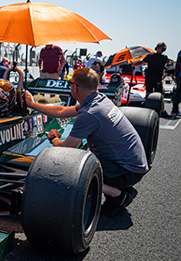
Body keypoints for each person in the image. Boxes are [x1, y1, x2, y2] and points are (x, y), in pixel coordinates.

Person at [25, 68, 149, 216]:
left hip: (127, 170)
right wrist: (32, 105)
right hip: (133, 164)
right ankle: (121, 188)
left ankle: (118, 194)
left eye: (70, 83)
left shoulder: (90, 113)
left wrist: (53, 137)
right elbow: (61, 111)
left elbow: (66, 148)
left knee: (71, 170)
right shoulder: (99, 99)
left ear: (74, 87)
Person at [140, 42, 169, 117]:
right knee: (160, 96)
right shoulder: (164, 58)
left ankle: (146, 110)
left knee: (148, 94)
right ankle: (162, 111)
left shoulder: (150, 56)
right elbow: (166, 67)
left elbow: (141, 62)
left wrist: (132, 63)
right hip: (157, 78)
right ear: (163, 49)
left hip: (149, 78)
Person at [170, 50, 181, 116]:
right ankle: (175, 110)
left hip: (179, 75)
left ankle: (175, 109)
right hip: (179, 76)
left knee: (178, 93)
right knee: (178, 93)